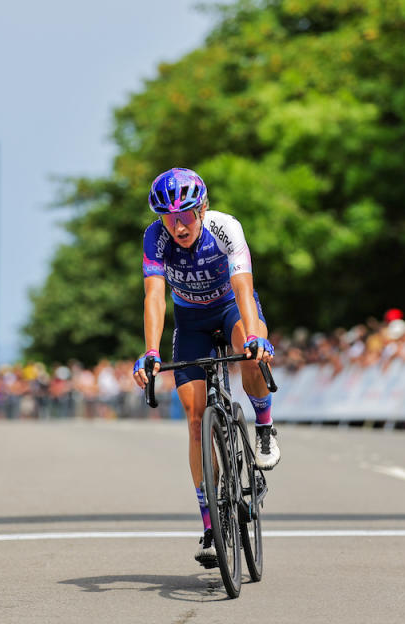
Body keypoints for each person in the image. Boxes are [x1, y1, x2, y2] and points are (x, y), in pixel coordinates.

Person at [131, 167, 279, 567]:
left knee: (249, 353)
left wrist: (253, 336)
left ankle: (263, 426)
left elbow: (243, 287)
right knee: (196, 420)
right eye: (169, 217)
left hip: (232, 309)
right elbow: (155, 297)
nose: (178, 226)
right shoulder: (154, 238)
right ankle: (211, 523)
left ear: (203, 209)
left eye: (186, 215)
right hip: (191, 321)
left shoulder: (225, 228)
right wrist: (150, 350)